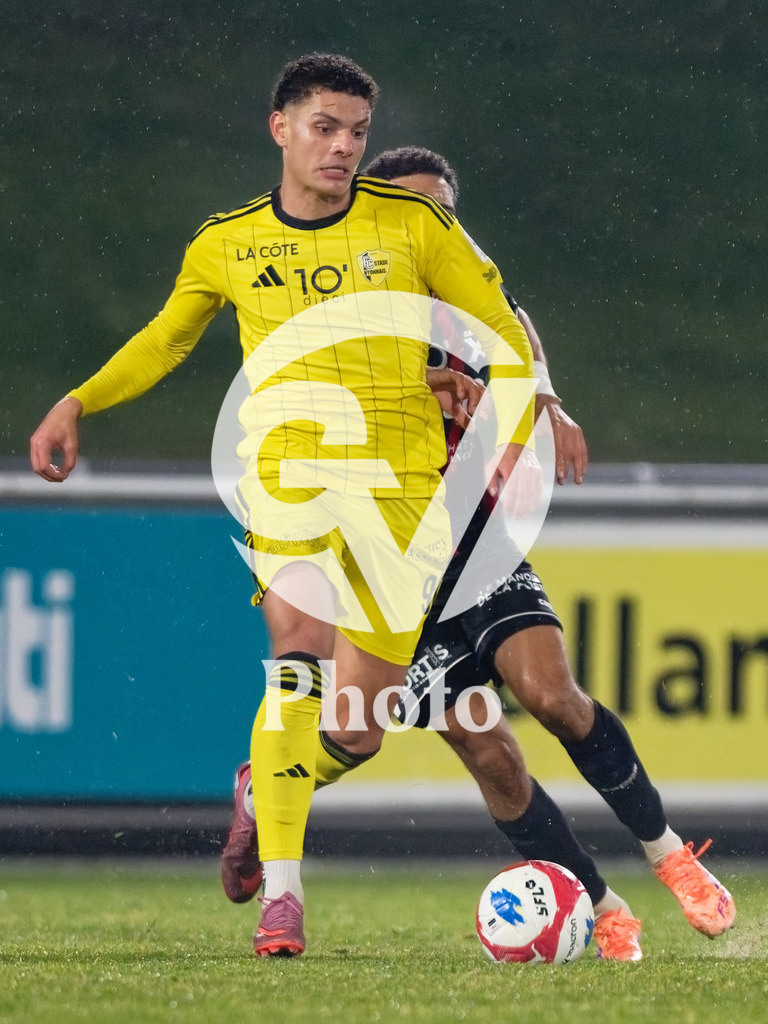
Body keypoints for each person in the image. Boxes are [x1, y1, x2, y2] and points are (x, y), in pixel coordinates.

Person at [29, 57, 537, 959]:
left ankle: (259, 795)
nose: (342, 147)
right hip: (291, 478)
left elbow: (500, 331)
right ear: (281, 128)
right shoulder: (226, 241)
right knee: (296, 659)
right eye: (325, 128)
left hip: (405, 496)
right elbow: (165, 338)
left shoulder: (414, 225)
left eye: (356, 133)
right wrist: (79, 400)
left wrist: (511, 404)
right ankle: (287, 900)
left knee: (358, 727)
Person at [220, 146, 735, 961]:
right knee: (454, 748)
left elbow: (517, 325)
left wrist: (549, 399)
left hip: (476, 549)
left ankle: (670, 856)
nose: (438, 229)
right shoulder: (354, 300)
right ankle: (597, 906)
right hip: (388, 561)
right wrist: (424, 389)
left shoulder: (465, 292)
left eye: (447, 215)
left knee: (552, 693)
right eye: (420, 212)